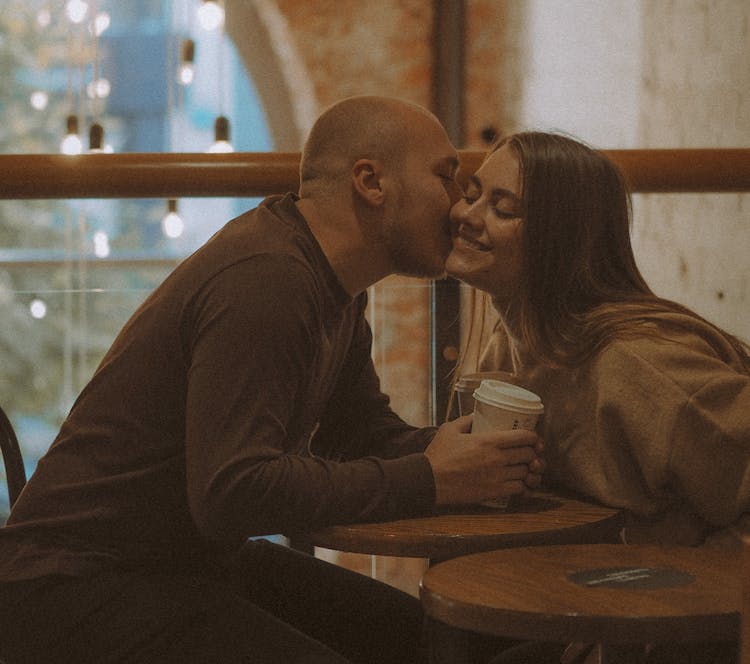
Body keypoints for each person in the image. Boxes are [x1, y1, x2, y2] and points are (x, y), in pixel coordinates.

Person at [0, 96, 544, 664]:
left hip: (177, 566)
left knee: (432, 642)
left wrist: (453, 453)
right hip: (71, 590)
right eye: (445, 178)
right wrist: (429, 478)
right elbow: (231, 493)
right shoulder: (269, 280)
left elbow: (358, 435)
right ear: (370, 181)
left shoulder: (332, 283)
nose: (458, 207)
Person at [445, 130, 750, 664]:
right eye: (472, 194)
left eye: (503, 208)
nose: (467, 215)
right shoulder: (509, 349)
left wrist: (662, 611)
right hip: (585, 607)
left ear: (559, 237)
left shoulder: (636, 364)